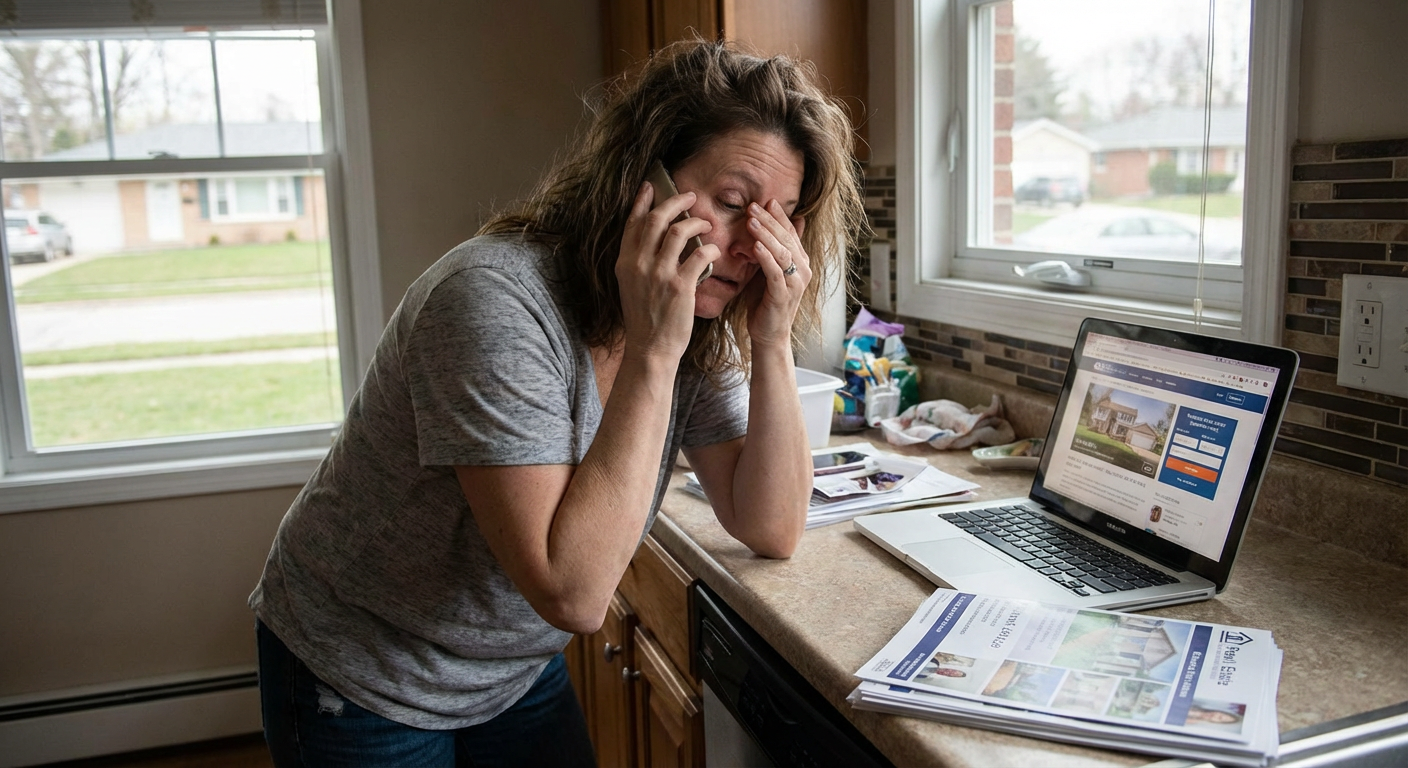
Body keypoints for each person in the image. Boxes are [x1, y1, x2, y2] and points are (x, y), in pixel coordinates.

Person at [248, 37, 867, 767]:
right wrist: (653, 351)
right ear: (644, 177)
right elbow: (573, 594)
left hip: (508, 668)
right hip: (364, 668)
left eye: (776, 220)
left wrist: (769, 342)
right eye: (731, 204)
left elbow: (772, 525)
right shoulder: (491, 302)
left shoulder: (701, 319)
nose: (748, 248)